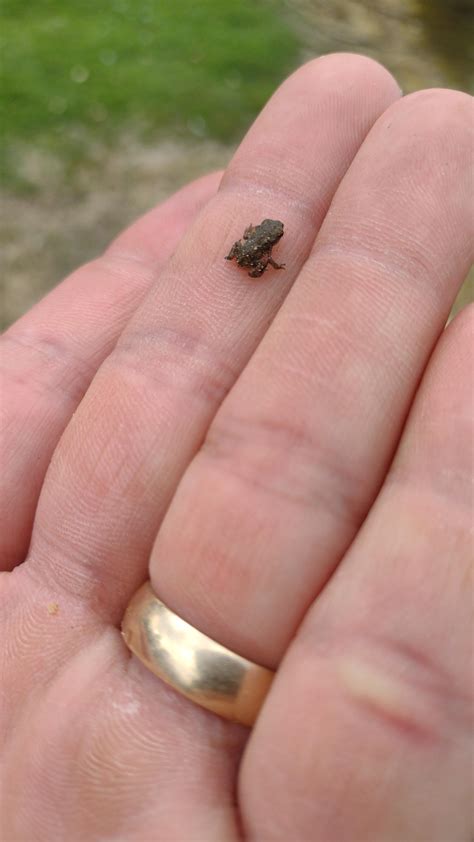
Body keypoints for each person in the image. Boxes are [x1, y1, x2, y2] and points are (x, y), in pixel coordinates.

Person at [1, 54, 472, 841]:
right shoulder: (258, 248)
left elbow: (256, 244)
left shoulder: (263, 238)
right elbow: (251, 253)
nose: (270, 240)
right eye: (268, 238)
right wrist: (262, 260)